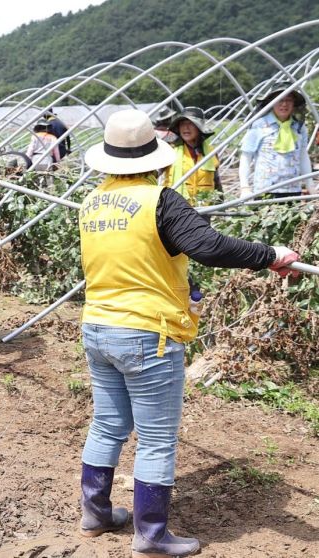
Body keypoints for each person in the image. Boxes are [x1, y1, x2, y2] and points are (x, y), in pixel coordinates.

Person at [76, 109, 300, 557]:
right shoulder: (160, 200)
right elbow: (210, 246)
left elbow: (132, 260)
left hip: (99, 327)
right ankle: (152, 535)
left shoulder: (92, 202)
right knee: (157, 437)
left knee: (108, 423)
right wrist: (271, 252)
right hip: (147, 333)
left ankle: (96, 514)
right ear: (155, 159)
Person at [239, 82, 316, 198]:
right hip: (265, 191)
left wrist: (310, 185)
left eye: (289, 100)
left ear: (294, 103)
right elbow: (246, 157)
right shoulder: (259, 125)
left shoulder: (299, 128)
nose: (284, 104)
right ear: (271, 102)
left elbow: (303, 156)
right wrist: (244, 187)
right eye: (280, 100)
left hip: (293, 191)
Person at [165, 107, 221, 205]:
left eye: (191, 123)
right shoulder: (170, 150)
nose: (186, 128)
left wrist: (221, 204)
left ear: (199, 128)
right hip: (176, 207)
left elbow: (216, 180)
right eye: (182, 124)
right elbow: (154, 176)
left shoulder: (211, 152)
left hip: (204, 208)